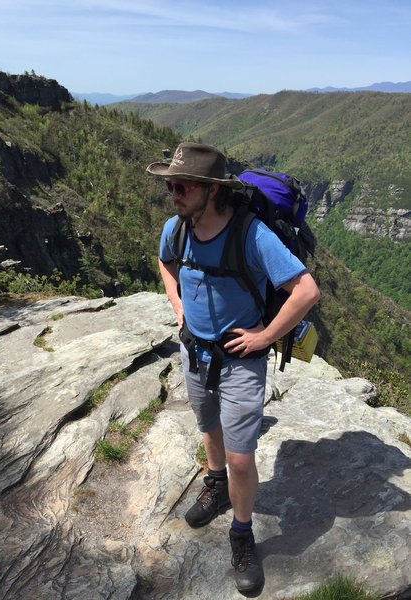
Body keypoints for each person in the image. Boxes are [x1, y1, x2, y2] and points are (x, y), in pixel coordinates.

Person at [146, 142, 320, 594]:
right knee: (208, 427)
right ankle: (215, 484)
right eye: (170, 185)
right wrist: (178, 306)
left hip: (241, 359)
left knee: (243, 457)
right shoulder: (176, 229)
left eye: (181, 186)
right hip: (194, 352)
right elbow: (165, 265)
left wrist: (264, 336)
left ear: (211, 190)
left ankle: (241, 533)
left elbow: (305, 291)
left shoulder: (252, 234)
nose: (173, 193)